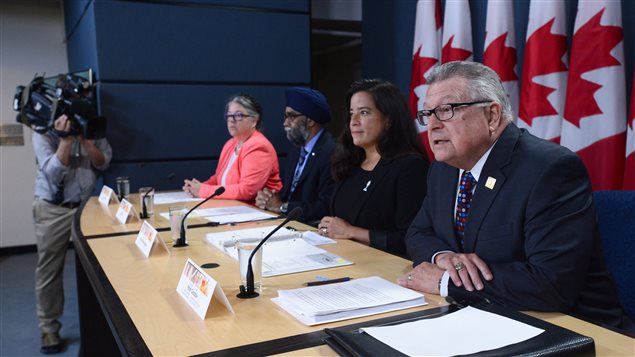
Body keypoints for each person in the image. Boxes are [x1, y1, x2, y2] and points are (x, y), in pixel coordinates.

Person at [398, 61, 635, 332]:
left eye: (446, 110)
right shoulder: (444, 168)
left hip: (573, 328)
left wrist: (446, 281)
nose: (433, 125)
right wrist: (444, 256)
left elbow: (551, 284)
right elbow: (417, 231)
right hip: (482, 317)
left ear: (492, 116)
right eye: (428, 113)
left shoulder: (550, 170)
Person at [318, 79, 429, 258]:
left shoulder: (410, 167)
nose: (353, 121)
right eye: (352, 113)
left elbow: (411, 239)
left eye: (364, 112)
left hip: (384, 269)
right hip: (341, 259)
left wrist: (351, 231)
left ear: (388, 120)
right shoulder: (350, 162)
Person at [33, 114, 112, 353]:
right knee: (49, 269)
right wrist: (65, 139)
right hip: (53, 208)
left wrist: (86, 141)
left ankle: (100, 324)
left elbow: (104, 162)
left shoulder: (90, 128)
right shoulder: (43, 130)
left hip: (86, 207)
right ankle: (48, 328)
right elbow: (54, 172)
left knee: (96, 269)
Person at [255, 87, 335, 224]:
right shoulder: (296, 151)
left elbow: (326, 206)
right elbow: (289, 194)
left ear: (310, 121)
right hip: (289, 223)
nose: (285, 123)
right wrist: (268, 199)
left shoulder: (332, 153)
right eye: (285, 117)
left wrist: (282, 207)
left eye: (291, 116)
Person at [183, 94, 282, 202]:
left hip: (255, 211)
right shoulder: (230, 144)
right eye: (229, 115)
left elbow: (246, 191)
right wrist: (196, 187)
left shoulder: (258, 146)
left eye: (238, 115)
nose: (231, 120)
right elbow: (218, 179)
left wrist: (203, 190)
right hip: (231, 208)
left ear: (254, 121)